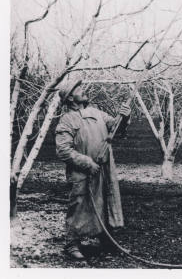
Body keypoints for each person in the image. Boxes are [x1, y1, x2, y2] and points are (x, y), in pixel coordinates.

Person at [55, 79, 131, 260]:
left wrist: (124, 117)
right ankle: (71, 243)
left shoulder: (96, 112)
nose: (83, 90)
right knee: (79, 205)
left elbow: (115, 130)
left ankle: (106, 238)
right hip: (82, 173)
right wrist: (87, 163)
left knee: (104, 201)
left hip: (104, 169)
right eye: (78, 88)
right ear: (70, 98)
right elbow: (63, 150)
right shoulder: (66, 120)